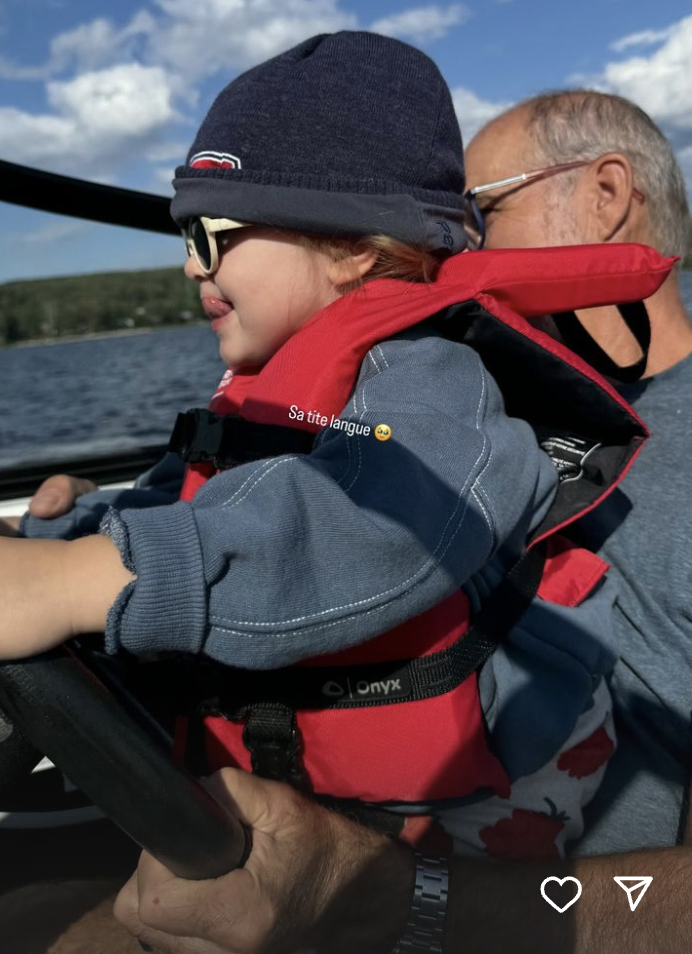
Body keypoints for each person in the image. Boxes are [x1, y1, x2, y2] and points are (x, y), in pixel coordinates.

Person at [113, 89, 692, 954]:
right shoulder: (442, 395)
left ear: (605, 197)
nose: (441, 253)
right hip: (284, 826)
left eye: (473, 216)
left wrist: (397, 898)